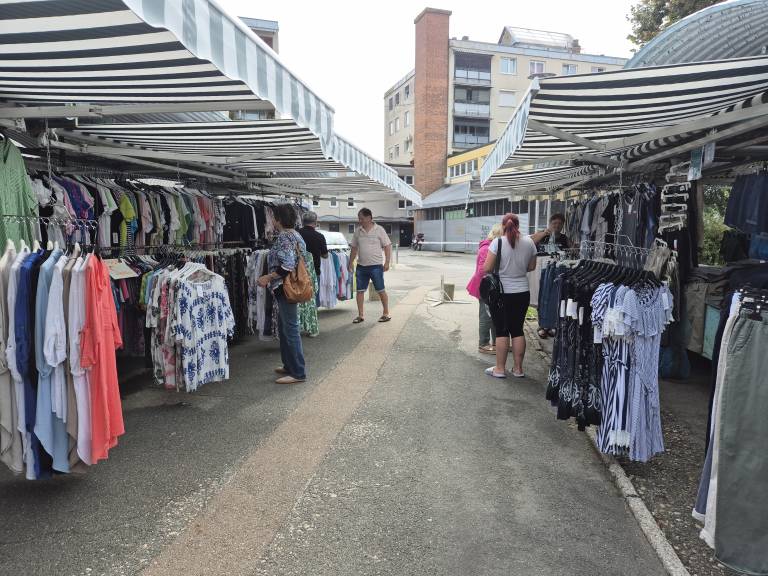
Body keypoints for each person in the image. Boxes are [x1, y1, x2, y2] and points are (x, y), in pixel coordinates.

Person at [257, 203, 308, 384]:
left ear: (278, 219)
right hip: (288, 287)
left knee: (291, 329)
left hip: (286, 287)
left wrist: (268, 277)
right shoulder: (295, 235)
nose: (272, 220)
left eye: (273, 217)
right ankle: (289, 365)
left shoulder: (285, 237)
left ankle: (298, 372)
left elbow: (287, 265)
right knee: (285, 328)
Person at [483, 213, 537, 379]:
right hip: (522, 292)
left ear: (503, 226)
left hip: (502, 293)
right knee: (517, 329)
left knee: (502, 330)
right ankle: (518, 369)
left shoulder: (497, 242)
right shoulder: (529, 242)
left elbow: (487, 268)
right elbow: (531, 267)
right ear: (518, 225)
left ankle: (500, 369)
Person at [348, 208, 392, 323]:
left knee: (381, 290)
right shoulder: (358, 231)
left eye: (361, 218)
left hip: (376, 266)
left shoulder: (379, 230)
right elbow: (354, 248)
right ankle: (360, 315)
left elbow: (387, 246)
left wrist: (387, 262)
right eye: (359, 218)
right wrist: (350, 263)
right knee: (360, 291)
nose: (359, 220)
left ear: (369, 218)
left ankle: (386, 313)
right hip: (361, 267)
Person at [530, 213, 570, 339]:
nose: (557, 226)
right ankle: (542, 325)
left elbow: (573, 250)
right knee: (541, 296)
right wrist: (544, 233)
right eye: (554, 223)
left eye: (560, 224)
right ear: (550, 223)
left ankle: (552, 324)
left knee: (554, 297)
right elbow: (530, 242)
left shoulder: (564, 238)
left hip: (557, 270)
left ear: (563, 225)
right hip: (540, 269)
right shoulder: (542, 234)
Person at [467, 224, 503, 355]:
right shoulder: (486, 248)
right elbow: (483, 270)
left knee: (494, 315)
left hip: (490, 287)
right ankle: (483, 344)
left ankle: (497, 342)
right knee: (486, 316)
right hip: (485, 287)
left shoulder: (492, 247)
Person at [298, 211, 326, 336]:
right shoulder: (319, 236)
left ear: (302, 222)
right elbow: (325, 255)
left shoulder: (296, 234)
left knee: (297, 299)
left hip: (297, 272)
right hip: (314, 272)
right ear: (315, 222)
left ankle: (298, 326)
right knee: (312, 300)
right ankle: (312, 328)